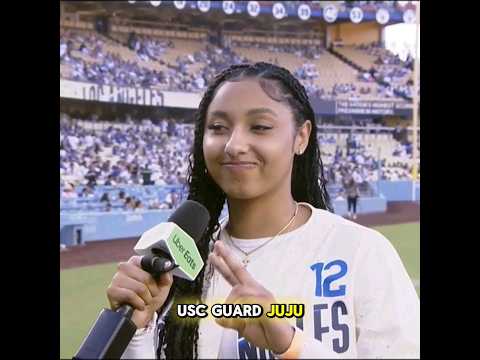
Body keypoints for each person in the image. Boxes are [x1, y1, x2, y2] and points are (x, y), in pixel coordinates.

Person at [106, 63, 419, 359]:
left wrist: (290, 344)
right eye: (217, 127)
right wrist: (137, 332)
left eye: (259, 126)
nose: (233, 144)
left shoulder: (360, 250)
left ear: (301, 137)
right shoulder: (182, 266)